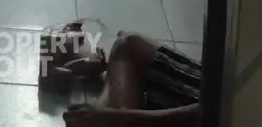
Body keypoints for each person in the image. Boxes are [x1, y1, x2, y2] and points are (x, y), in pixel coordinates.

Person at [57, 31, 202, 126]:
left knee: (126, 46)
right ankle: (104, 101)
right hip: (206, 88)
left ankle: (104, 104)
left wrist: (116, 118)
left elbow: (208, 114)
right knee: (128, 43)